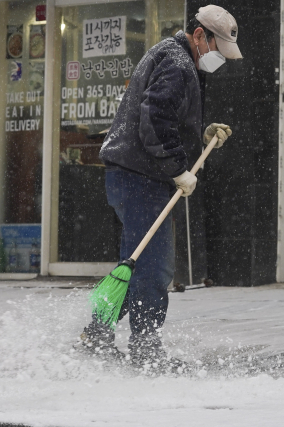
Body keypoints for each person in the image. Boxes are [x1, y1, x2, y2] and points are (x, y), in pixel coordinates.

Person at [80, 5, 242, 371]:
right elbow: (153, 118)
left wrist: (199, 135)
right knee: (154, 267)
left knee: (134, 264)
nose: (219, 59)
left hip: (132, 175)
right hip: (142, 178)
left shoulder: (172, 55)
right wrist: (177, 169)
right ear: (200, 35)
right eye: (218, 49)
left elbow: (163, 115)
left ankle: (97, 334)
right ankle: (145, 349)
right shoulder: (178, 63)